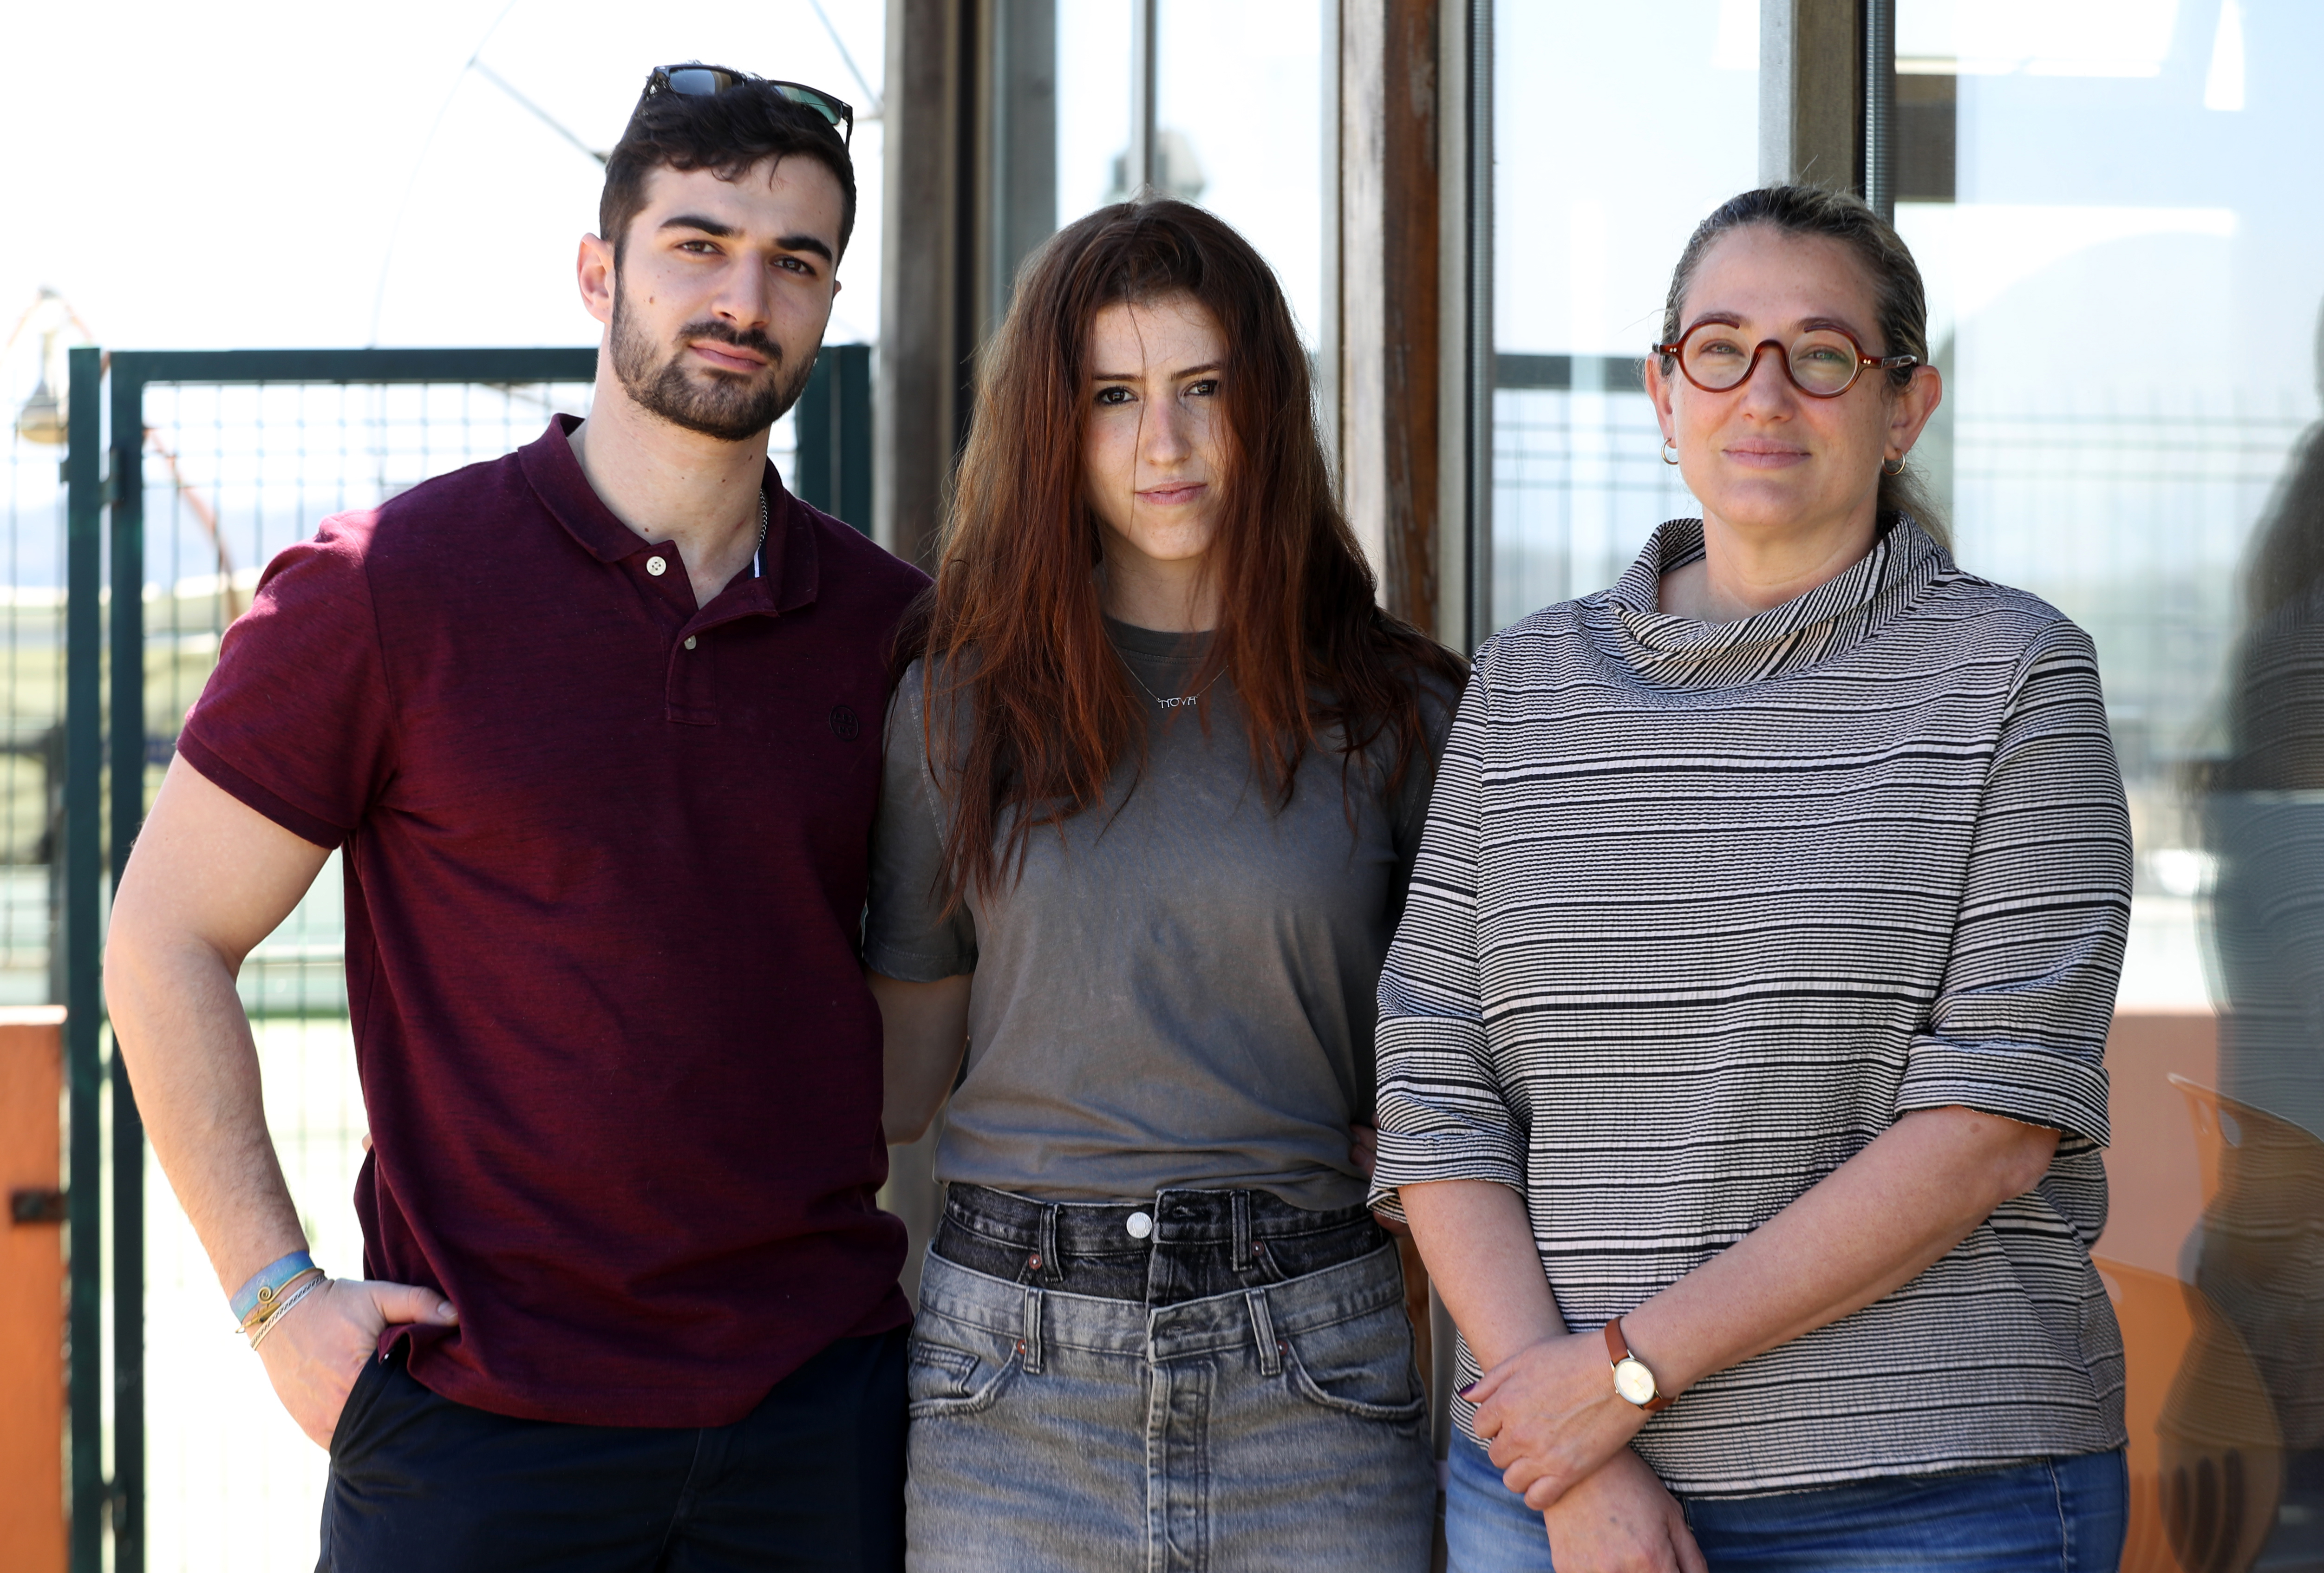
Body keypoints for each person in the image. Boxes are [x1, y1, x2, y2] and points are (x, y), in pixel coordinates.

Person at [102, 65, 925, 1572]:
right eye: (698, 243)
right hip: (475, 1427)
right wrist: (280, 1301)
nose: (743, 295)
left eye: (794, 261)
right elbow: (163, 936)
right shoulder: (388, 589)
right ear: (599, 270)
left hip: (817, 1416)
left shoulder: (889, 629)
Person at [1372, 184, 2133, 1572]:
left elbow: (1990, 1124)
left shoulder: (2013, 676)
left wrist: (1617, 1378)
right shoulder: (1527, 681)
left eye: (1821, 353)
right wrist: (1566, 1435)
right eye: (1718, 348)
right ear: (1665, 395)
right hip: (1555, 1487)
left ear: (1903, 405)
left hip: (1932, 1494)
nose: (1762, 390)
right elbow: (1433, 1081)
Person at [863, 199, 1461, 1572]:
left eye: (1203, 389)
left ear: (1266, 405)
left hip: (1314, 1364)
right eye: (1112, 396)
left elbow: (1466, 1071)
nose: (1165, 445)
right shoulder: (953, 709)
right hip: (1008, 1372)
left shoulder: (1398, 711)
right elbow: (896, 1086)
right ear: (1048, 428)